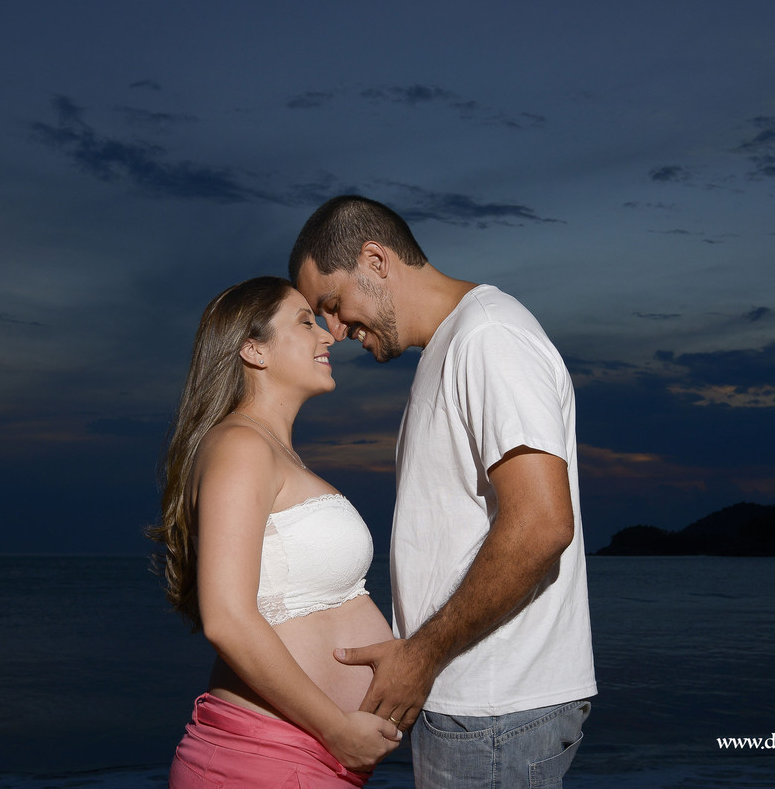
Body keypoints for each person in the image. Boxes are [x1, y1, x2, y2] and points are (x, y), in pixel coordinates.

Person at [290, 197, 597, 788]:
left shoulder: (490, 336)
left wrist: (421, 656)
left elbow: (543, 525)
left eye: (332, 304)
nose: (334, 329)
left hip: (497, 710)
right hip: (472, 707)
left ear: (375, 260)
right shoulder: (451, 348)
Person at [148, 276, 402, 788]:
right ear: (253, 350)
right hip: (264, 756)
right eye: (306, 322)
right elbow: (227, 618)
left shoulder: (271, 451)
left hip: (298, 757)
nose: (328, 335)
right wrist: (337, 730)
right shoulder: (241, 446)